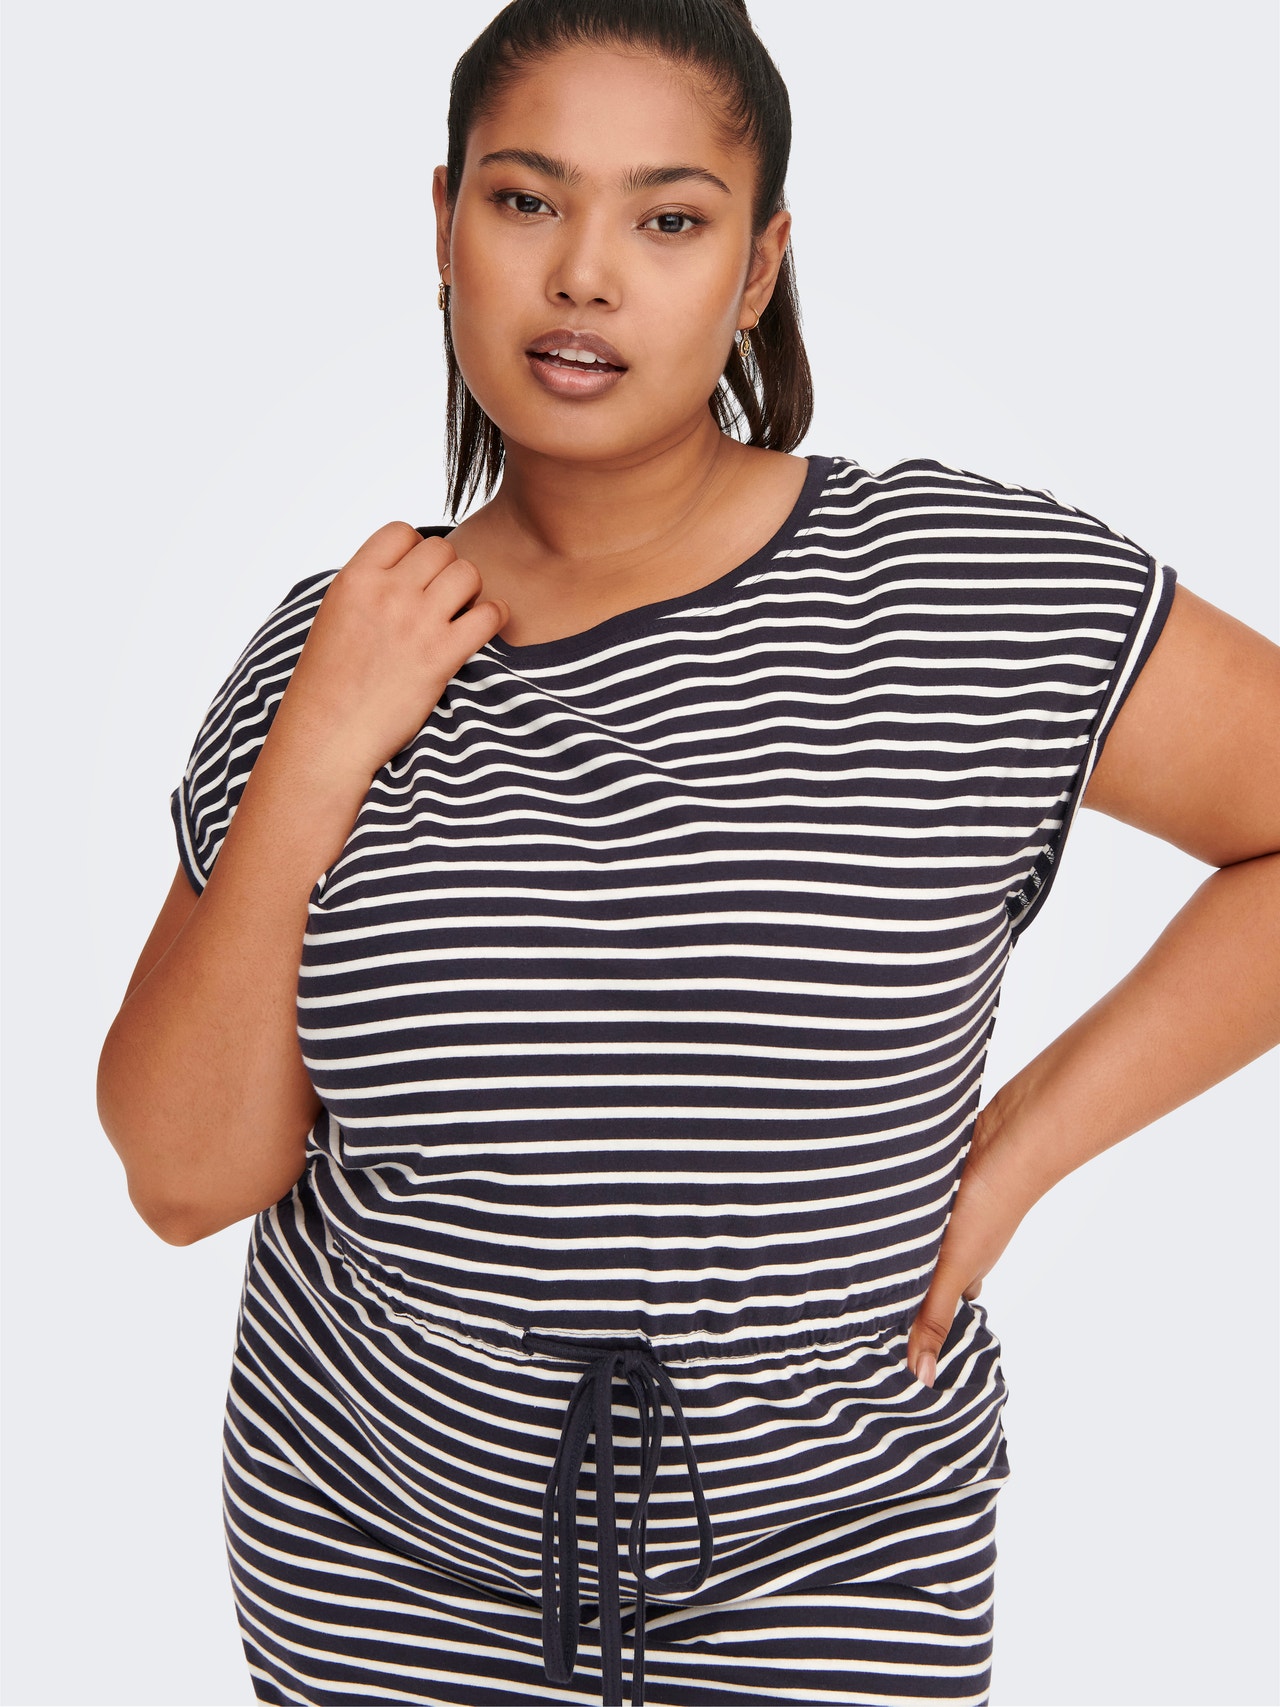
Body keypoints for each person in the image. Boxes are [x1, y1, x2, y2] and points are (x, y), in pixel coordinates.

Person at [95, 1, 1280, 1703]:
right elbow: (183, 1178)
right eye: (525, 200)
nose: (584, 275)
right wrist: (325, 738)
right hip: (376, 1567)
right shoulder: (337, 642)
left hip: (839, 1559)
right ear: (443, 224)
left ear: (756, 267)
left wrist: (1018, 1150)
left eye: (668, 220)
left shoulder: (961, 596)